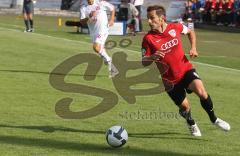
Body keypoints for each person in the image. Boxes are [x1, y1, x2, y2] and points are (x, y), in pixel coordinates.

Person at [141, 5, 230, 136]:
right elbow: (144, 62)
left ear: (162, 18)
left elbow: (190, 32)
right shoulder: (148, 39)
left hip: (185, 69)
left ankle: (214, 119)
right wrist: (152, 57)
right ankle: (191, 123)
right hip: (169, 80)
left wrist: (193, 47)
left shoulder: (175, 27)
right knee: (185, 107)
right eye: (148, 18)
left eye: (152, 18)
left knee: (202, 93)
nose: (149, 21)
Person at [80, 0, 119, 78]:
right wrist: (89, 16)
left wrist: (111, 19)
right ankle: (113, 68)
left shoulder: (100, 3)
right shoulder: (83, 7)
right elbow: (82, 21)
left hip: (103, 29)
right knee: (98, 49)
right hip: (93, 32)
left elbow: (112, 8)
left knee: (96, 47)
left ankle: (108, 60)